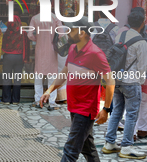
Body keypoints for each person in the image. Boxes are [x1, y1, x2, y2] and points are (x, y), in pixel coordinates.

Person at [40, 16, 115, 162]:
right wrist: (49, 90)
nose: (67, 32)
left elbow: (110, 81)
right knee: (88, 148)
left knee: (70, 151)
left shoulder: (95, 54)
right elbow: (65, 72)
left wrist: (106, 109)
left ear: (82, 33)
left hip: (85, 110)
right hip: (73, 107)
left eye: (71, 29)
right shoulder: (73, 48)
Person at [102, 11, 147, 159]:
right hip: (131, 82)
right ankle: (126, 147)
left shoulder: (121, 35)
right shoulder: (141, 42)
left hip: (117, 80)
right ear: (142, 22)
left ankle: (109, 143)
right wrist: (140, 82)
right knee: (132, 114)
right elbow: (142, 67)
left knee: (116, 112)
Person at [27, 11, 62, 110]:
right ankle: (52, 103)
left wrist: (37, 39)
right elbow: (61, 34)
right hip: (51, 50)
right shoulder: (54, 18)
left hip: (39, 49)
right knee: (52, 77)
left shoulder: (35, 18)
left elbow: (29, 35)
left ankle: (38, 101)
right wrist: (55, 40)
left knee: (38, 77)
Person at [0, 15, 29, 105]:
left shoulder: (7, 32)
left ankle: (6, 99)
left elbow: (3, 45)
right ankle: (16, 100)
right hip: (19, 57)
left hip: (8, 57)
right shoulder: (23, 32)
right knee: (17, 79)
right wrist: (26, 58)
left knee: (6, 78)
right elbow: (26, 46)